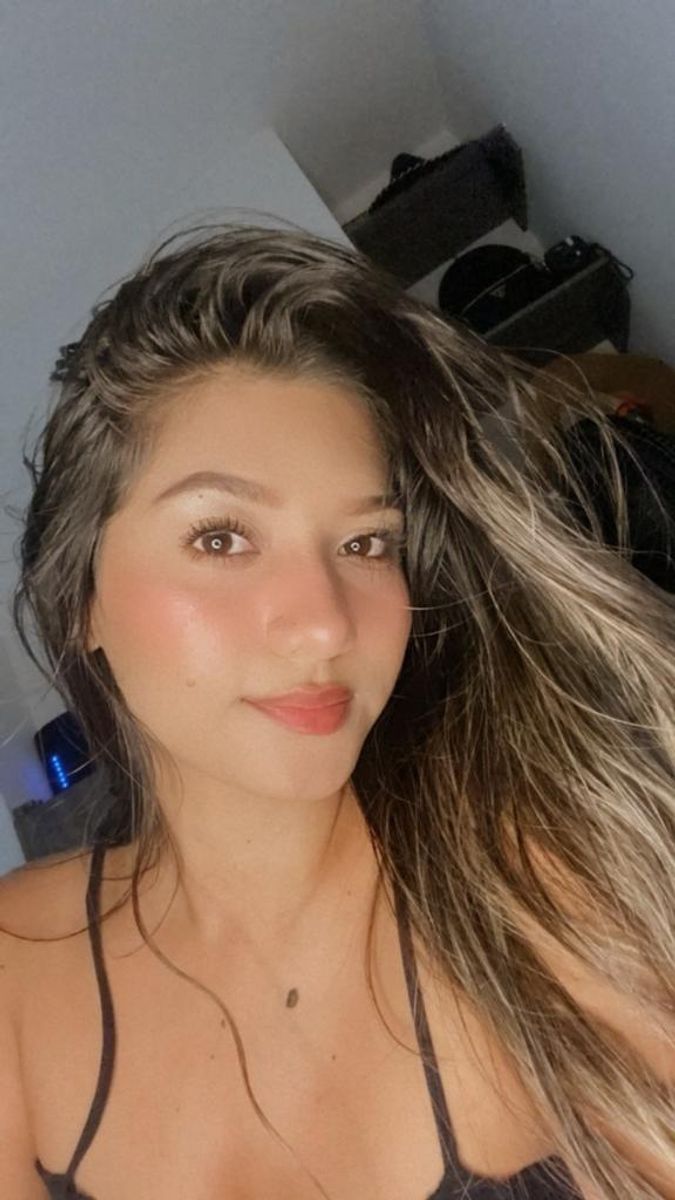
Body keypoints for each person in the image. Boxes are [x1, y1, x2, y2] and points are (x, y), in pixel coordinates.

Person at [1, 219, 674, 1200]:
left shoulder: (545, 895)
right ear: (83, 601)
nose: (324, 623)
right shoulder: (17, 974)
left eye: (365, 544)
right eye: (222, 538)